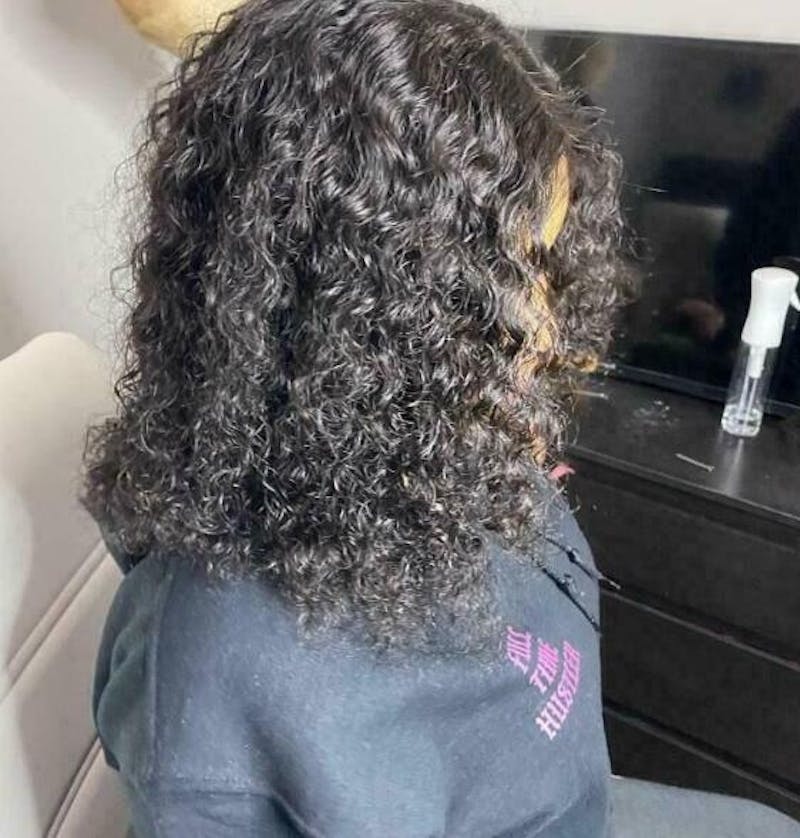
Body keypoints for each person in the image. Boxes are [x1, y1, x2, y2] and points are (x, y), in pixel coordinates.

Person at [86, 0, 800, 835]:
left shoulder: (440, 434)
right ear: (351, 305)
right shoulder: (219, 699)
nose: (545, 331)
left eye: (543, 264)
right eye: (503, 280)